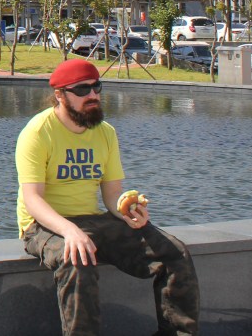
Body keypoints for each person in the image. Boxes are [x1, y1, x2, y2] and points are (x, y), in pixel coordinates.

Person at [15, 58, 200, 335]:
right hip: (42, 225)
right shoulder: (38, 132)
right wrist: (70, 231)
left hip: (92, 220)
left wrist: (128, 212)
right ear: (60, 95)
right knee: (77, 259)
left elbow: (112, 194)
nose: (92, 95)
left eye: (96, 87)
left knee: (174, 252)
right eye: (81, 90)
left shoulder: (105, 133)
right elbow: (33, 201)